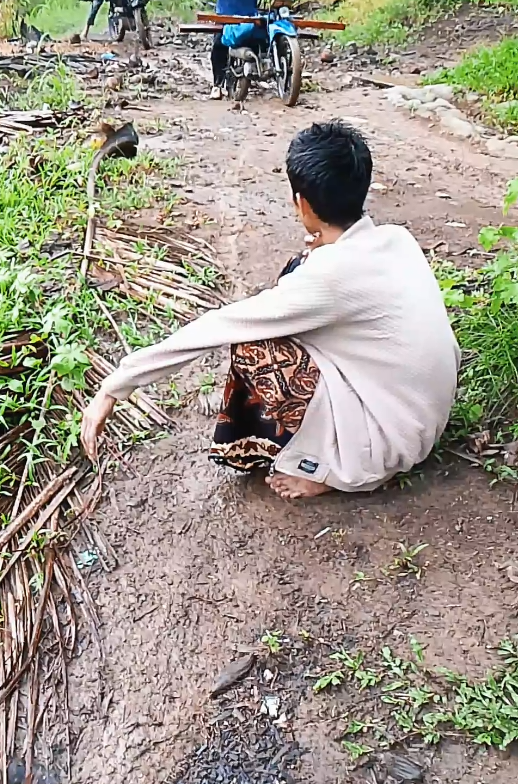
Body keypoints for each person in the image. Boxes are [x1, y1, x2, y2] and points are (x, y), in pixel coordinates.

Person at [81, 121, 460, 500]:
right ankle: (342, 450)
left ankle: (328, 470)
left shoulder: (330, 276)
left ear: (304, 204)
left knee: (256, 348)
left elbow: (218, 327)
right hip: (422, 418)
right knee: (297, 274)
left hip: (388, 444)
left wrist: (115, 386)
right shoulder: (396, 239)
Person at [210, 0, 258, 100]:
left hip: (248, 16)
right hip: (226, 13)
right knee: (219, 44)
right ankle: (217, 84)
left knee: (258, 42)